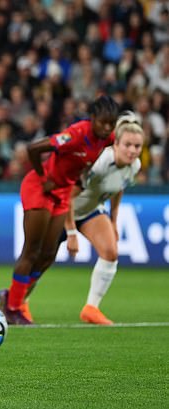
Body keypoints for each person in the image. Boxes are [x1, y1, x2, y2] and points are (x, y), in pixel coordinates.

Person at [0, 95, 120, 325]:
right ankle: (13, 308)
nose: (106, 128)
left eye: (111, 124)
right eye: (103, 122)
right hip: (41, 187)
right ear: (92, 118)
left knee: (48, 254)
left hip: (63, 192)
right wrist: (44, 176)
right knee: (32, 250)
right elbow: (33, 148)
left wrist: (81, 178)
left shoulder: (108, 138)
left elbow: (88, 159)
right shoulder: (75, 134)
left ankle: (10, 296)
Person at [58, 112, 143, 324]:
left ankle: (91, 308)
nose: (133, 151)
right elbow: (69, 195)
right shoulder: (100, 162)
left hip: (88, 211)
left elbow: (118, 188)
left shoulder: (135, 166)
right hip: (61, 209)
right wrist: (70, 232)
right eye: (128, 145)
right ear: (116, 144)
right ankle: (18, 303)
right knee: (41, 258)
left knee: (110, 251)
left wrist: (113, 221)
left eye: (137, 146)